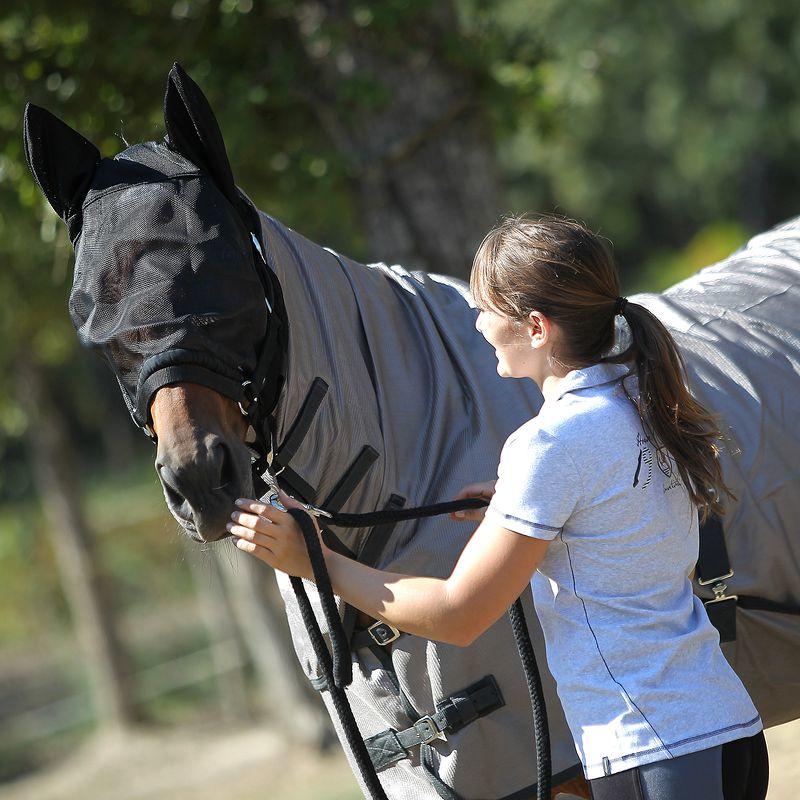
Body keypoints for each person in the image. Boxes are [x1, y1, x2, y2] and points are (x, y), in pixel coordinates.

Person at [227, 214, 768, 800]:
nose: (477, 323)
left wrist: (314, 562)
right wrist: (527, 513)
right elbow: (627, 532)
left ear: (536, 328)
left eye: (487, 309)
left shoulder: (549, 444)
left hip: (651, 750)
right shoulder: (642, 401)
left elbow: (457, 615)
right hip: (729, 731)